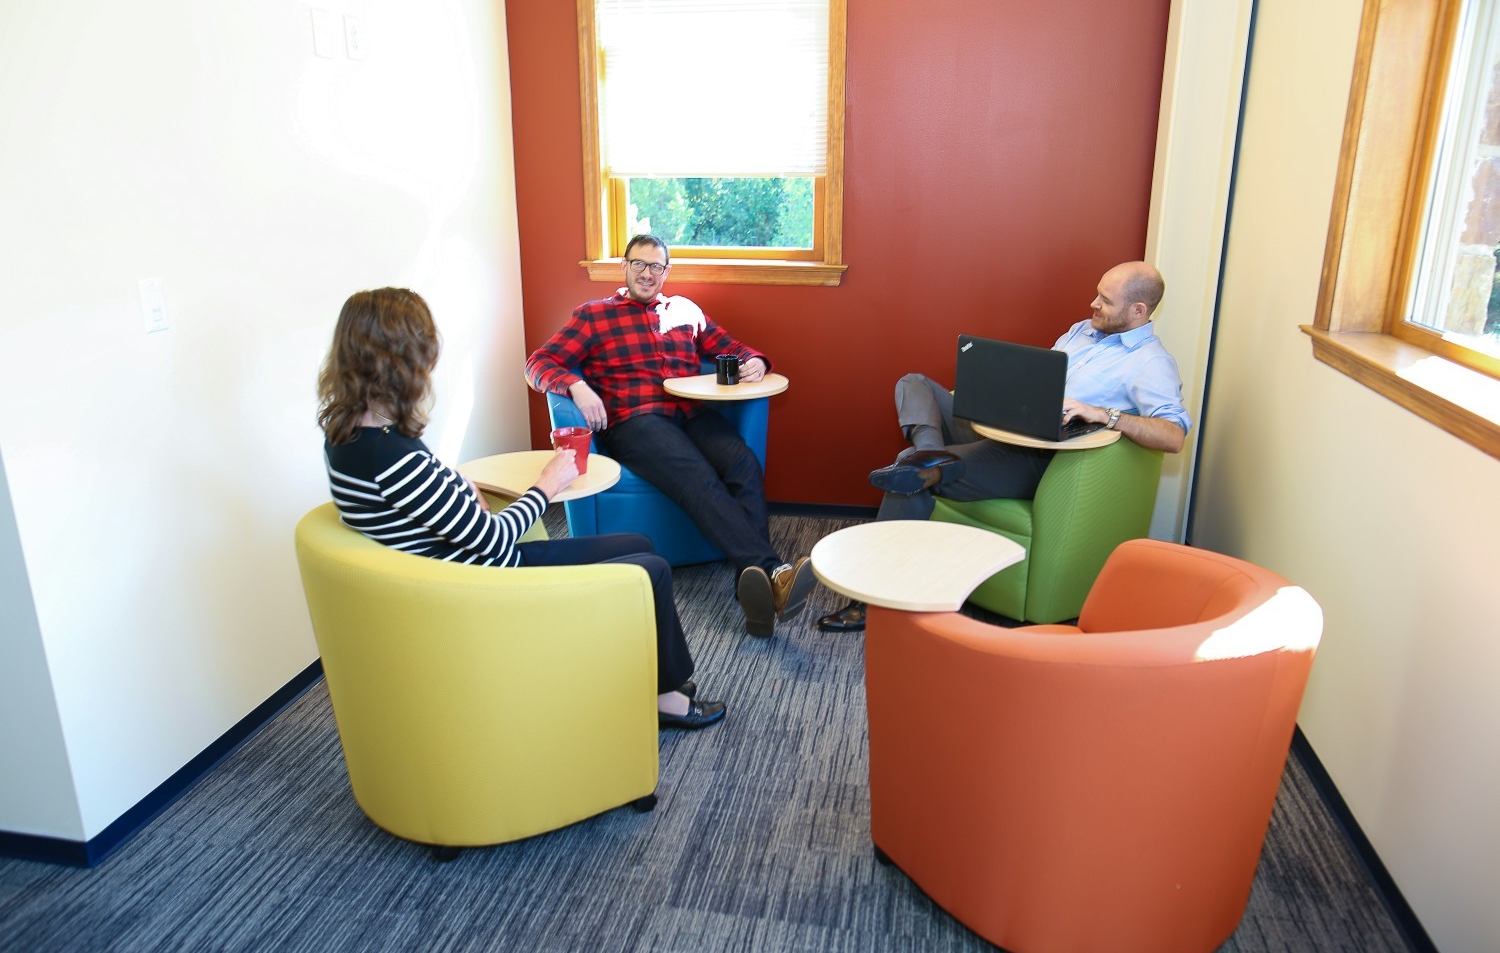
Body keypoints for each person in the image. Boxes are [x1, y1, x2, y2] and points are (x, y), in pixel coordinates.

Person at [318, 287, 725, 730]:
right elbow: (494, 538)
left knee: (638, 543)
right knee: (653, 568)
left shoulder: (349, 438)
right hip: (490, 586)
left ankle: (643, 674)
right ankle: (668, 698)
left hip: (466, 567)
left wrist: (457, 489)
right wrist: (547, 485)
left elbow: (423, 506)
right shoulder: (393, 457)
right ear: (398, 361)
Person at [817, 261, 1192, 632]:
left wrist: (1104, 414)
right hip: (1005, 428)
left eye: (1105, 300)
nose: (1093, 304)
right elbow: (1044, 383)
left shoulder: (1150, 363)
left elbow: (1173, 435)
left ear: (1138, 310)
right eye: (1097, 294)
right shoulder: (1082, 331)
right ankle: (929, 454)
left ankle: (871, 600)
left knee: (910, 474)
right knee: (915, 383)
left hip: (1037, 458)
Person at [524, 234, 815, 639]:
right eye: (639, 264)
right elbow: (538, 363)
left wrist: (754, 361)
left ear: (667, 271)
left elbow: (730, 346)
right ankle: (771, 571)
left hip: (691, 412)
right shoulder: (592, 315)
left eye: (656, 266)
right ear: (624, 268)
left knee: (743, 463)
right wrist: (576, 385)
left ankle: (756, 595)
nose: (648, 273)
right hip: (637, 422)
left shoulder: (686, 311)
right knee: (698, 476)